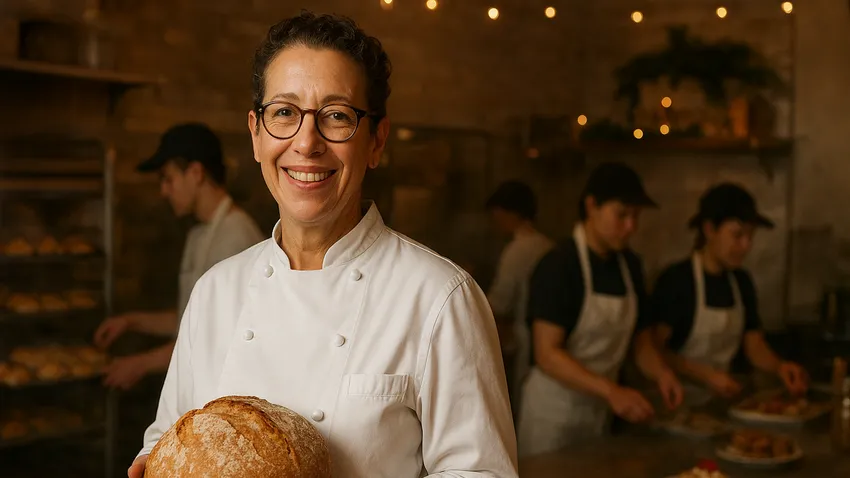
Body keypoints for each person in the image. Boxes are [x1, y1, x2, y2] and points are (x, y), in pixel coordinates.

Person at [129, 12, 517, 478]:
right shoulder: (216, 291)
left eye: (336, 116)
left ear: (376, 141)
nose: (306, 143)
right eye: (284, 113)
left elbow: (480, 472)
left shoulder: (439, 297)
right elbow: (170, 437)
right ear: (256, 134)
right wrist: (151, 462)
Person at [517, 162, 683, 457]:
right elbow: (547, 354)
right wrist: (611, 391)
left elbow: (641, 343)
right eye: (622, 215)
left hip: (599, 412)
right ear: (592, 206)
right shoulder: (559, 265)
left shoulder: (630, 266)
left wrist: (662, 373)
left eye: (636, 216)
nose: (631, 226)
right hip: (554, 414)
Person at [93, 123, 264, 391]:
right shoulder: (200, 233)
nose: (163, 190)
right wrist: (130, 321)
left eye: (168, 178)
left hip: (228, 393)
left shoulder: (235, 238)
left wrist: (140, 364)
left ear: (196, 173)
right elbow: (192, 317)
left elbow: (213, 337)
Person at [651, 183, 808, 403]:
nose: (746, 246)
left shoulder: (741, 282)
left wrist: (780, 366)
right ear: (709, 230)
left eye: (750, 236)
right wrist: (705, 375)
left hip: (721, 403)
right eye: (737, 235)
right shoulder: (677, 280)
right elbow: (656, 350)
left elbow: (753, 345)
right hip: (675, 403)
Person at [485, 181, 554, 412]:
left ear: (509, 213)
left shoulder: (518, 250)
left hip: (527, 337)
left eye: (497, 216)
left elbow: (500, 302)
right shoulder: (547, 244)